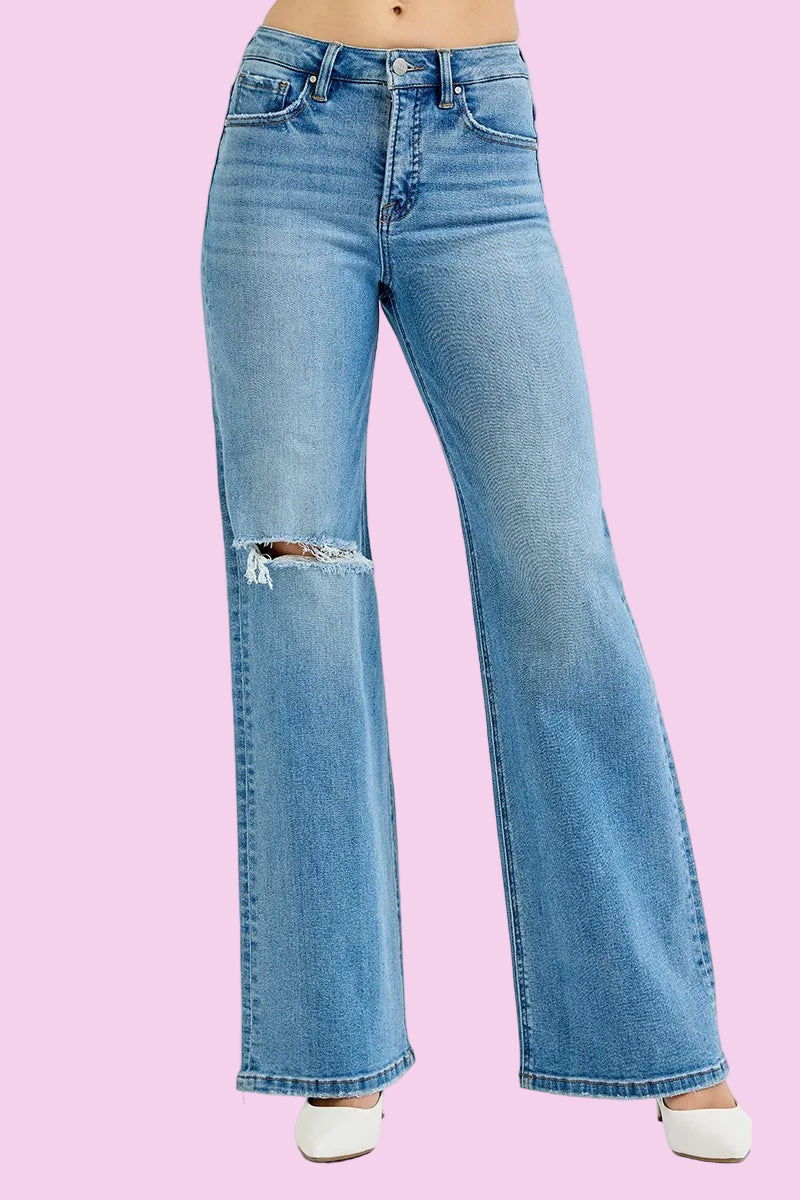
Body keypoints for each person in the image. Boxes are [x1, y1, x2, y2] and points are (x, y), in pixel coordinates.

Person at [200, 0, 752, 1164]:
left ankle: (656, 1036)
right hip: (288, 133)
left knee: (559, 573)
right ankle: (335, 1048)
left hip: (478, 141)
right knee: (301, 588)